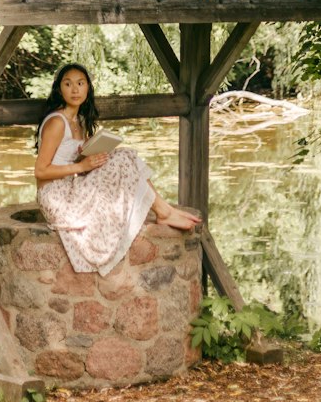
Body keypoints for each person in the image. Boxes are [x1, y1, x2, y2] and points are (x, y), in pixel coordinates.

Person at [34, 62, 201, 276]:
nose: (75, 89)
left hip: (71, 189)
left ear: (88, 88)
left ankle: (163, 209)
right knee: (122, 160)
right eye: (68, 84)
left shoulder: (79, 120)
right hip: (56, 198)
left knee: (121, 155)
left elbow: (77, 162)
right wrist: (81, 165)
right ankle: (163, 211)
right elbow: (40, 171)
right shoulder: (57, 122)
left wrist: (90, 154)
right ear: (59, 89)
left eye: (80, 83)